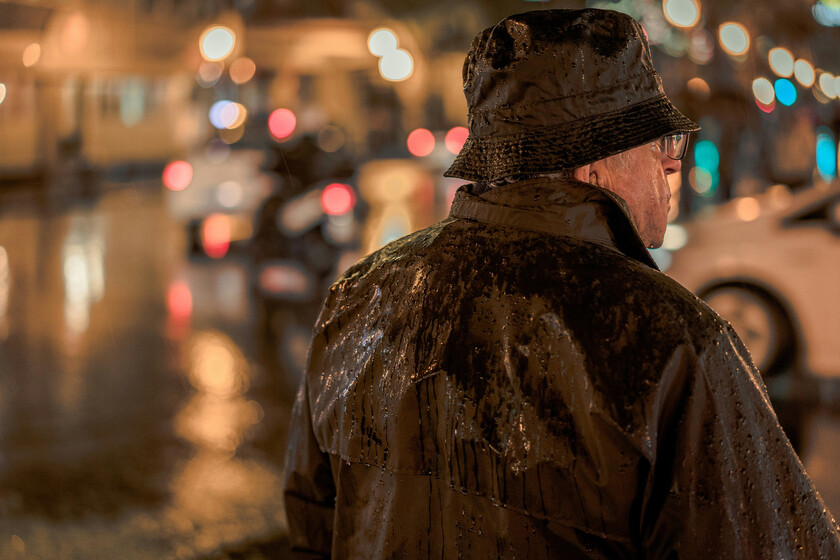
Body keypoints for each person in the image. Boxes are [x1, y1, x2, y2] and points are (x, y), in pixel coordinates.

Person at [283, 9, 840, 559]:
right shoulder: (670, 339)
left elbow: (314, 524)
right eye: (661, 143)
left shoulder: (357, 298)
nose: (672, 166)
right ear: (592, 168)